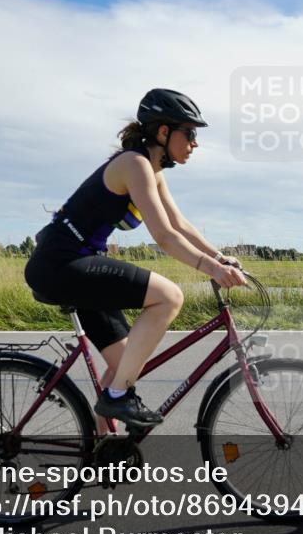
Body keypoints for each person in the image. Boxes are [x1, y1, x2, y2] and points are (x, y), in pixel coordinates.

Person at [24, 88, 247, 430]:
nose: (195, 143)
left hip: (75, 264)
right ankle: (117, 398)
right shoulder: (134, 164)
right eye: (190, 133)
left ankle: (102, 445)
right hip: (60, 264)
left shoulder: (152, 171)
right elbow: (164, 236)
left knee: (126, 363)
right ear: (163, 131)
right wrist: (211, 268)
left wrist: (219, 257)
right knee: (169, 297)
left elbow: (179, 224)